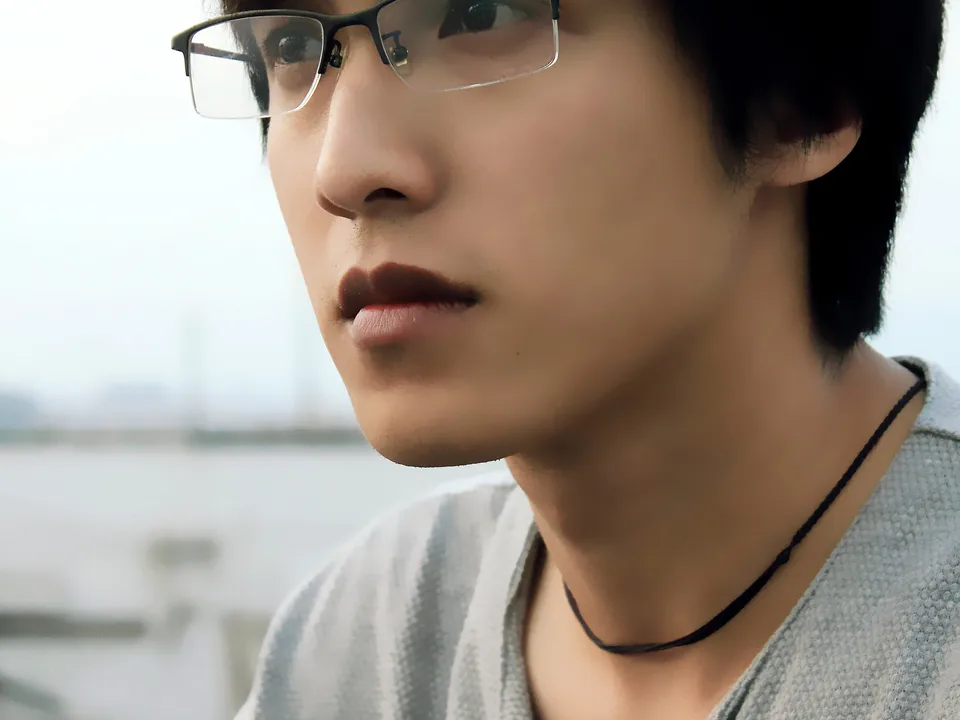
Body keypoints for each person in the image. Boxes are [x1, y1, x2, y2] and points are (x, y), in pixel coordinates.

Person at [172, 0, 959, 717]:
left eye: (477, 17)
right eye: (291, 47)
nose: (343, 171)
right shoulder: (364, 643)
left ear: (801, 101)